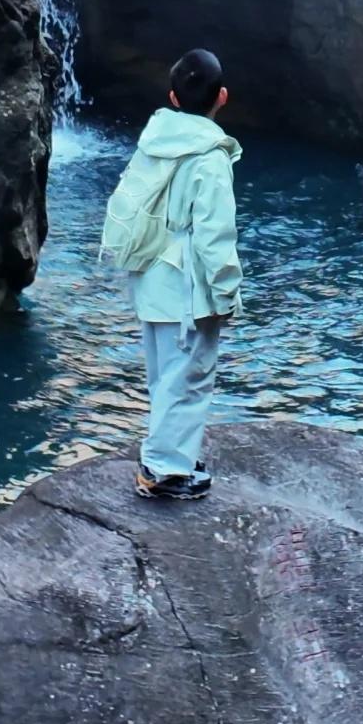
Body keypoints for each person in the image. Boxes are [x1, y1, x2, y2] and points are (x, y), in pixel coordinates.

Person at [101, 49, 243, 501]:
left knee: (165, 374)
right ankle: (164, 471)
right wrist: (226, 293)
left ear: (173, 98)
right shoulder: (210, 156)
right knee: (190, 377)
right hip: (187, 286)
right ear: (222, 96)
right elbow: (215, 236)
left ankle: (170, 455)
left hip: (149, 274)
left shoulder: (154, 139)